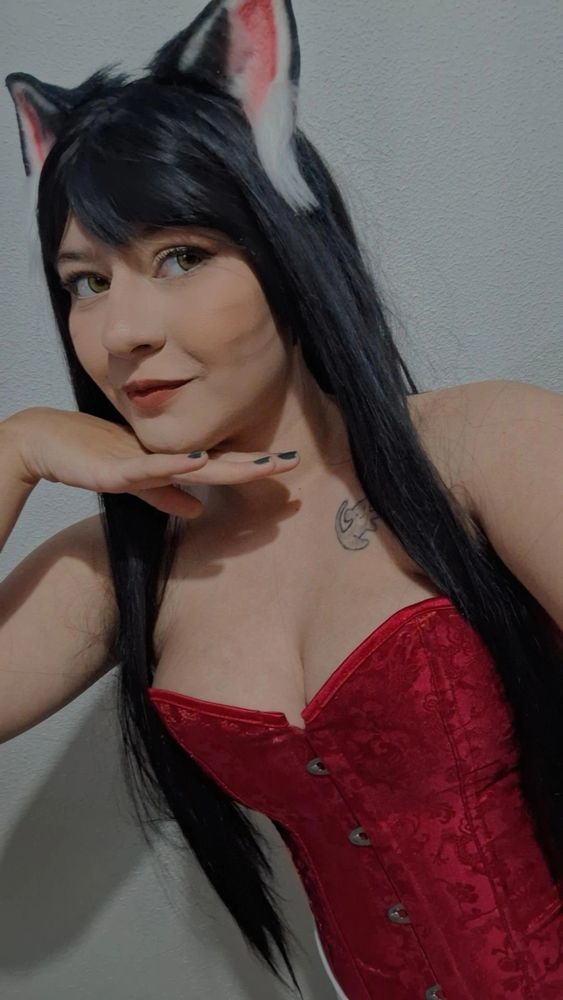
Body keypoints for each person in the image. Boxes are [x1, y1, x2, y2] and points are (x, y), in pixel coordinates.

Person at [2, 1, 562, 997]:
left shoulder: (479, 447)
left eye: (180, 256)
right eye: (86, 283)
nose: (121, 331)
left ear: (282, 240)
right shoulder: (122, 568)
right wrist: (16, 451)